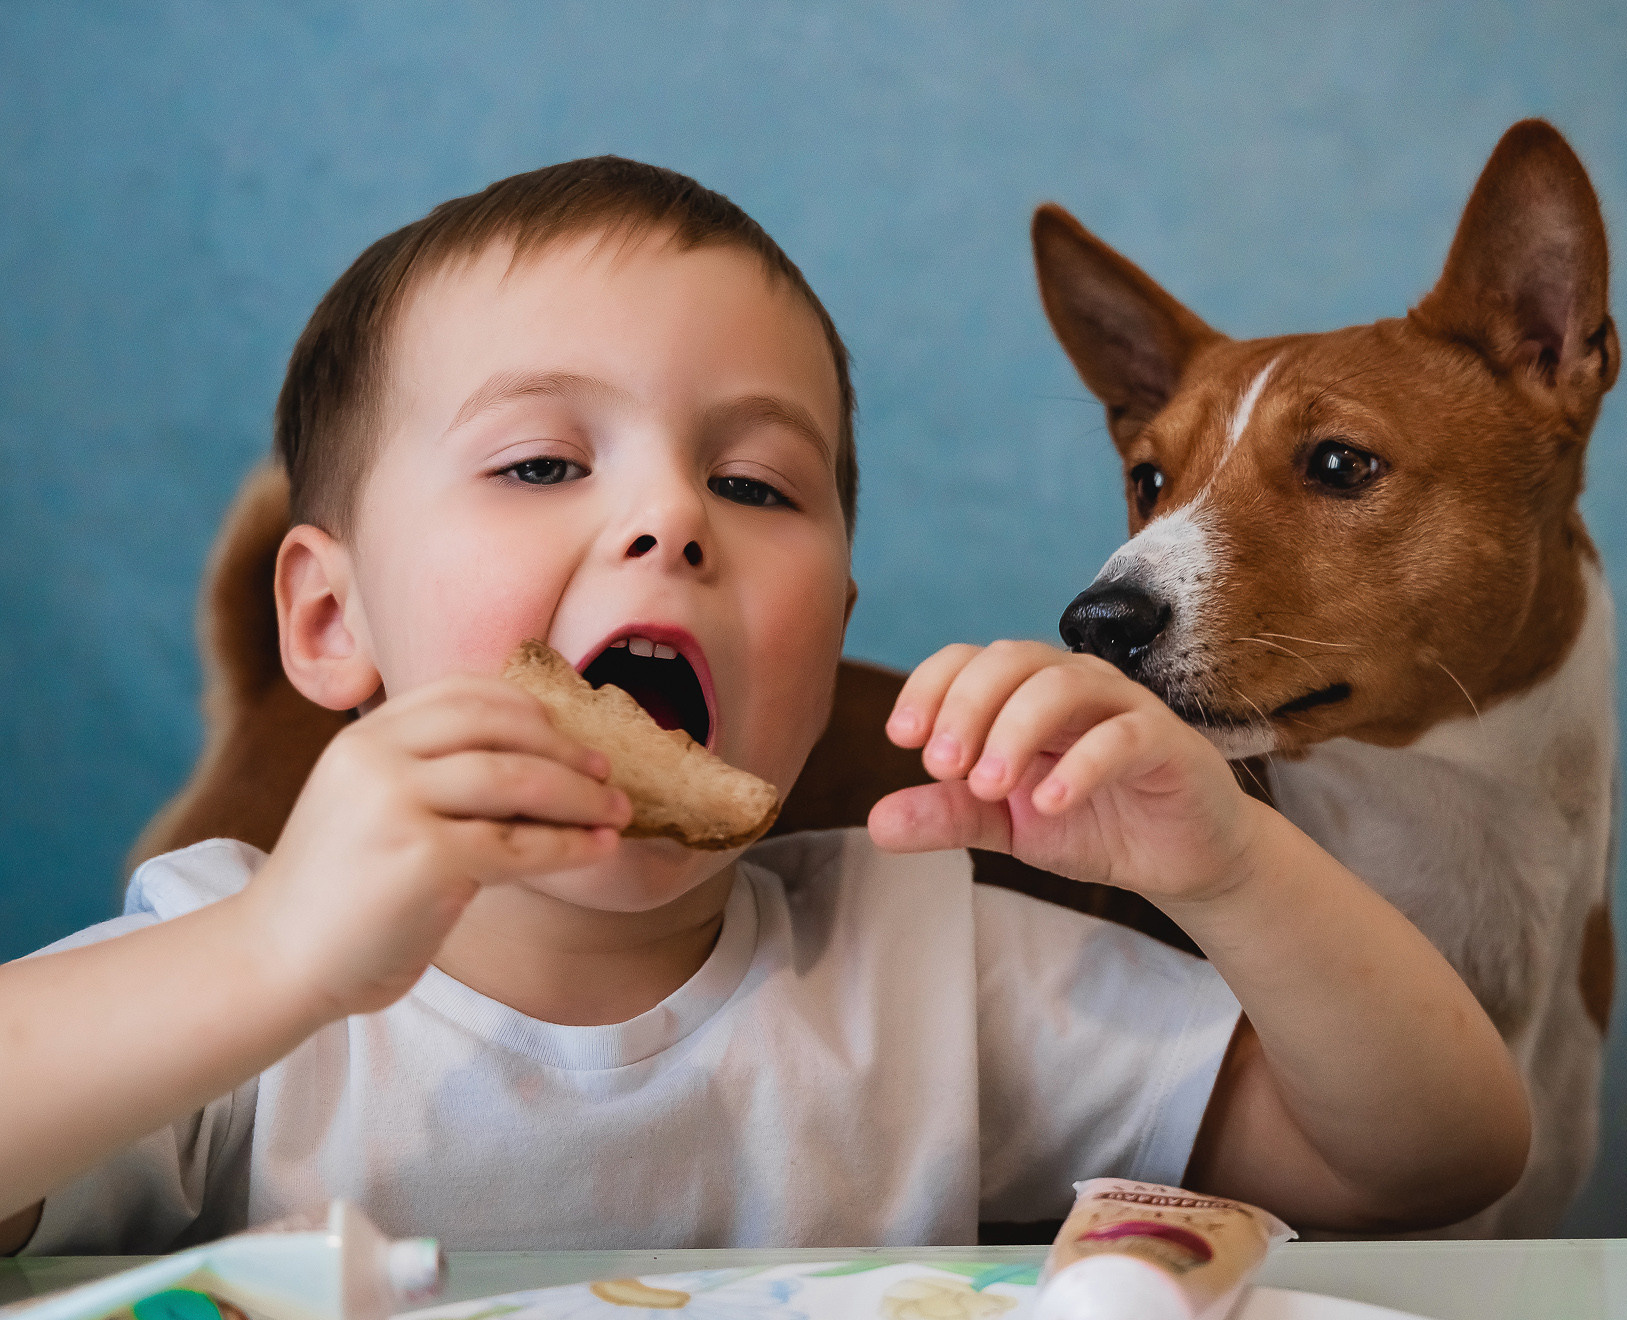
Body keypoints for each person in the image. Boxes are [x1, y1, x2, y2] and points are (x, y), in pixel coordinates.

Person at [0, 158, 1527, 1254]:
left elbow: (1430, 1158)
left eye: (753, 481)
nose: (672, 520)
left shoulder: (929, 960)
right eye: (544, 462)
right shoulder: (233, 974)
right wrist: (271, 956)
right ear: (331, 621)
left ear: (835, 637)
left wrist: (1232, 868)